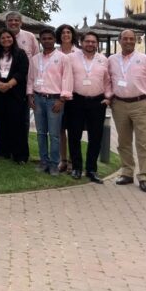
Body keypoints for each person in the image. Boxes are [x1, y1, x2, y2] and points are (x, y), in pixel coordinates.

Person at [108, 29, 146, 193]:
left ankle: (144, 177)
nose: (129, 41)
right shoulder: (111, 60)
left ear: (136, 41)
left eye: (132, 39)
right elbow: (107, 81)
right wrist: (109, 97)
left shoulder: (145, 60)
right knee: (123, 142)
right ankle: (127, 172)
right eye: (125, 38)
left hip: (140, 104)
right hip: (119, 105)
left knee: (144, 142)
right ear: (119, 40)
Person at [27, 28, 73, 176]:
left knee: (54, 134)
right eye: (44, 39)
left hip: (55, 100)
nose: (47, 41)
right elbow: (30, 79)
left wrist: (62, 99)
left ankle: (54, 164)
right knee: (41, 133)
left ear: (54, 40)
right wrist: (30, 96)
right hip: (38, 98)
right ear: (40, 41)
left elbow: (67, 79)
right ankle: (43, 162)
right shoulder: (35, 59)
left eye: (49, 38)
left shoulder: (63, 58)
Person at [67, 32, 111, 183]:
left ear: (97, 43)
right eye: (87, 41)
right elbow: (66, 77)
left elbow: (108, 80)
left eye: (93, 42)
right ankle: (76, 168)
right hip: (76, 100)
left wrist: (108, 98)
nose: (90, 44)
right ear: (81, 42)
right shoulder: (71, 58)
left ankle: (91, 169)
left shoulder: (103, 59)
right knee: (74, 135)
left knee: (96, 136)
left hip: (97, 102)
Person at [0, 29, 29, 163]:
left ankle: (19, 154)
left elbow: (22, 72)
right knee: (1, 122)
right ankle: (4, 150)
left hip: (14, 92)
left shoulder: (20, 53)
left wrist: (9, 84)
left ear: (13, 38)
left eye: (8, 37)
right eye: (2, 38)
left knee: (17, 123)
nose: (6, 40)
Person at [56, 23, 78, 173]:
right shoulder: (55, 53)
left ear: (72, 35)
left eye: (68, 32)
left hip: (75, 96)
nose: (66, 35)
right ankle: (62, 159)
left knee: (73, 130)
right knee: (60, 129)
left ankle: (72, 161)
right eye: (63, 32)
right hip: (58, 96)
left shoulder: (79, 53)